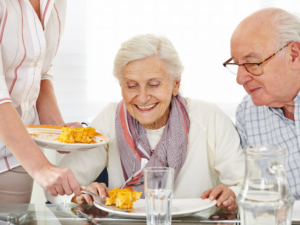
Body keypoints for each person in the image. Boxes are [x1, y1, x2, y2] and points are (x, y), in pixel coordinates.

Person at [47, 34, 245, 210]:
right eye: (132, 86)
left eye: (154, 84)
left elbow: (243, 186)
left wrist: (231, 194)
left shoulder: (210, 118)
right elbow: (55, 190)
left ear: (175, 84)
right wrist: (80, 195)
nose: (142, 98)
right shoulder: (110, 118)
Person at [0, 0, 82, 203]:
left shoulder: (56, 3)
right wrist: (42, 167)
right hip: (25, 153)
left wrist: (56, 129)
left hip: (17, 154)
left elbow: (40, 72)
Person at [223, 8, 300, 200]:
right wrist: (234, 193)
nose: (240, 79)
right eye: (237, 65)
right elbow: (253, 191)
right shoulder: (247, 112)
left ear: (294, 55)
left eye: (253, 63)